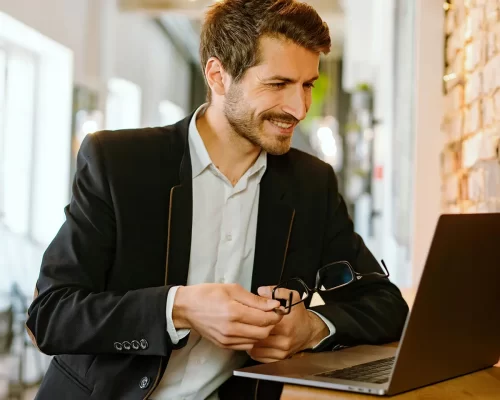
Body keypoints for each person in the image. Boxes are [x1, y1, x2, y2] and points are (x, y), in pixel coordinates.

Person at [26, 0, 409, 399]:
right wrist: (179, 308)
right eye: (278, 84)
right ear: (218, 75)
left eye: (307, 85)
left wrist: (313, 325)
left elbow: (386, 305)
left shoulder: (312, 185)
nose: (299, 108)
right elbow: (51, 316)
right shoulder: (118, 163)